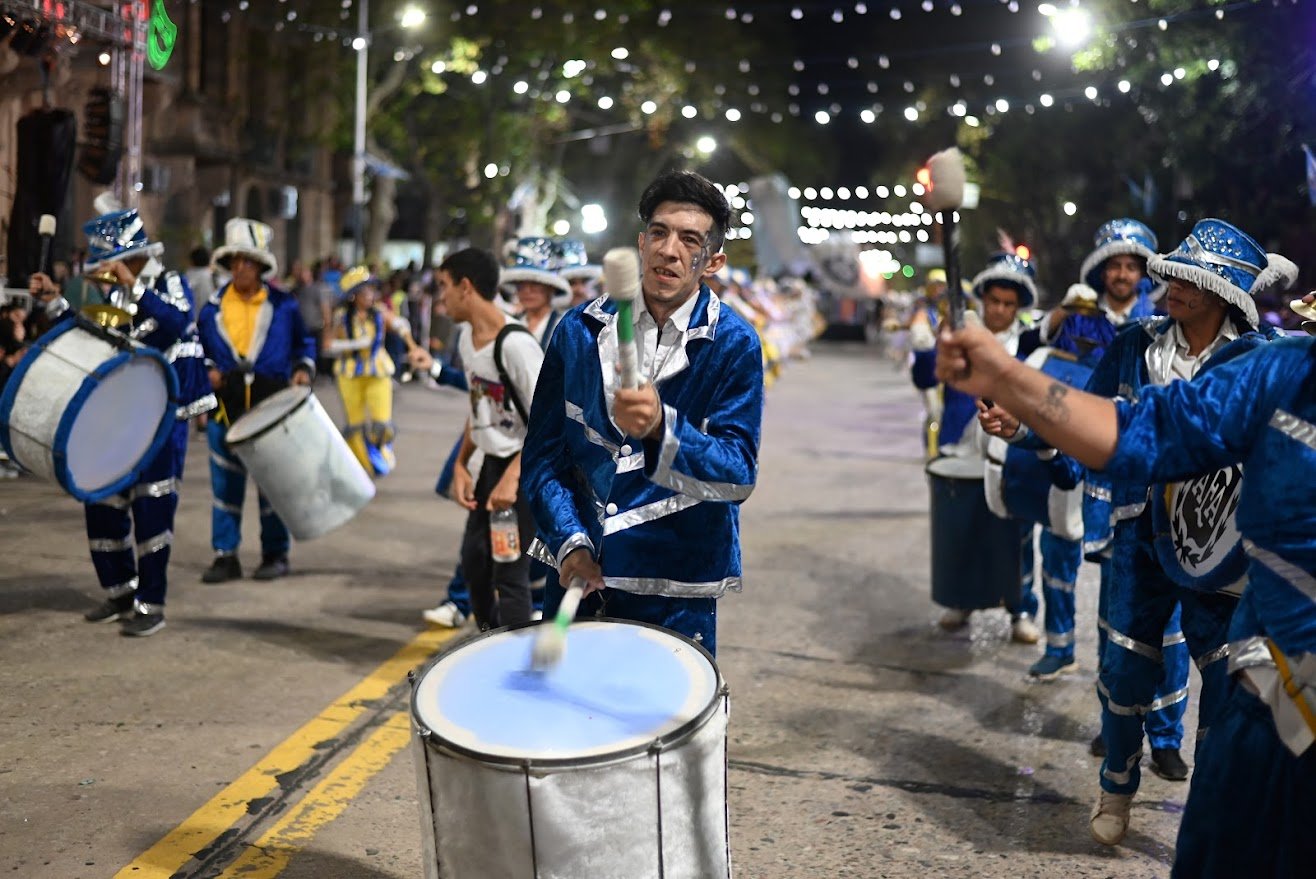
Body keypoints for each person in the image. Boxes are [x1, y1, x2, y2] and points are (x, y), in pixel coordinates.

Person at [944, 219, 1300, 871]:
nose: (1165, 282)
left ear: (1221, 293)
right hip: (1137, 530)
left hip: (1227, 553)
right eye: (1167, 272)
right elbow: (1100, 423)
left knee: (1230, 686)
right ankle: (1116, 785)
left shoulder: (1264, 358)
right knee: (1124, 667)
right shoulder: (1141, 344)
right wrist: (1027, 428)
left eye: (1184, 277)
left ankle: (1213, 800)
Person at [520, 170, 764, 655]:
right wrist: (571, 543)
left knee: (665, 729)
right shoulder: (578, 330)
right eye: (659, 232)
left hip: (675, 589)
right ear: (641, 242)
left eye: (689, 239)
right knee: (563, 724)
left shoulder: (735, 344)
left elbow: (738, 475)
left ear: (712, 260)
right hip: (578, 577)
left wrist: (661, 430)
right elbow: (545, 456)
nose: (669, 250)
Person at [48, 209, 213, 635]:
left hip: (164, 412)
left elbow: (177, 324)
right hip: (117, 410)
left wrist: (133, 285)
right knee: (102, 499)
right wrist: (52, 300)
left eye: (111, 263)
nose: (104, 272)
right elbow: (83, 334)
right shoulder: (108, 292)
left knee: (152, 503)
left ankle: (151, 602)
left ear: (133, 257)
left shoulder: (169, 282)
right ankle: (120, 589)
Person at [411, 247, 541, 630]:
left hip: (522, 471)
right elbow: (478, 406)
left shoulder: (517, 346)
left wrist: (512, 478)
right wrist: (460, 464)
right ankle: (490, 640)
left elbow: (547, 424)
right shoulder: (468, 339)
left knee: (509, 573)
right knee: (474, 564)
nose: (441, 297)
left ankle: (517, 665)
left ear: (466, 287)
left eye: (444, 287)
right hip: (489, 467)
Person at [937, 253, 1056, 650]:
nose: (1001, 310)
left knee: (1017, 535)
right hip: (962, 447)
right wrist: (930, 343)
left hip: (1012, 450)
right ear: (982, 298)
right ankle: (961, 600)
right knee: (961, 529)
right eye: (995, 301)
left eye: (1009, 304)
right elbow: (924, 374)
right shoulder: (959, 335)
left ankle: (1021, 609)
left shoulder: (1029, 344)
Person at [196, 218, 315, 583]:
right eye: (234, 261)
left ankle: (275, 554)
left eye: (246, 261)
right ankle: (225, 555)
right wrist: (208, 371)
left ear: (261, 266)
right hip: (226, 409)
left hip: (271, 407)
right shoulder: (211, 309)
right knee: (225, 488)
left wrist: (303, 370)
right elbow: (198, 352)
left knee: (272, 487)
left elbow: (304, 344)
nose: (239, 268)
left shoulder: (285, 306)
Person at [326, 266, 401, 476]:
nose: (370, 295)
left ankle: (382, 450)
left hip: (377, 371)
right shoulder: (341, 317)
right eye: (365, 291)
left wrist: (403, 329)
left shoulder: (379, 313)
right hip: (349, 373)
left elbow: (398, 325)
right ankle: (362, 467)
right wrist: (355, 345)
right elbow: (329, 344)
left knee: (382, 424)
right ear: (353, 296)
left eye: (371, 290)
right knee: (355, 426)